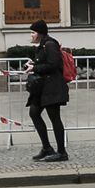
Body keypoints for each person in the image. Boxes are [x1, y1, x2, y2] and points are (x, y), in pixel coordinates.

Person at [26, 20, 69, 161]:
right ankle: (47, 147)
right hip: (42, 88)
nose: (31, 35)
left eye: (32, 32)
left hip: (52, 87)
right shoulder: (42, 45)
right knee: (34, 112)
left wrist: (35, 68)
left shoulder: (50, 44)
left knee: (54, 118)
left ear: (39, 33)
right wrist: (33, 64)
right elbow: (44, 62)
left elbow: (54, 64)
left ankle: (62, 152)